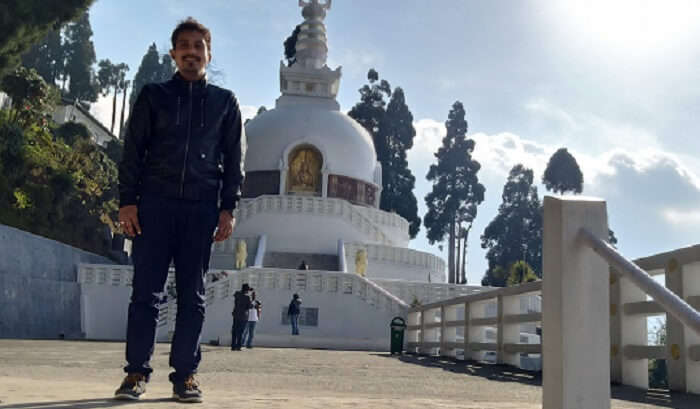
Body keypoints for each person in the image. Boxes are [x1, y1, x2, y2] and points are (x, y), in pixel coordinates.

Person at [114, 17, 246, 403]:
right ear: (174, 54)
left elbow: (234, 160)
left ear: (208, 54)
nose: (191, 52)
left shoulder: (224, 103)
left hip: (200, 209)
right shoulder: (154, 96)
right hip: (154, 204)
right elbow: (133, 152)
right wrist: (128, 201)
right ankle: (136, 373)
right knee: (145, 293)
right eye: (184, 46)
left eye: (198, 46)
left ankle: (185, 376)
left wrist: (228, 208)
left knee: (194, 296)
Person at [232, 284, 253, 351]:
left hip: (236, 314)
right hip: (243, 316)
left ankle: (233, 346)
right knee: (240, 331)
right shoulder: (247, 297)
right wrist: (251, 296)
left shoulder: (237, 294)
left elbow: (236, 295)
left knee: (234, 330)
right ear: (247, 290)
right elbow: (250, 306)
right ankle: (238, 346)